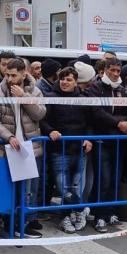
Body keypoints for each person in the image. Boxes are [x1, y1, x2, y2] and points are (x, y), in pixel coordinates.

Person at [0, 59, 47, 238]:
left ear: (23, 74)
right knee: (7, 189)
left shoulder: (35, 91)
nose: (10, 79)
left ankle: (24, 223)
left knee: (28, 190)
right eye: (7, 75)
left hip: (29, 148)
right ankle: (7, 223)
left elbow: (40, 114)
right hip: (7, 148)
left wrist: (24, 98)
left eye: (14, 75)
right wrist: (9, 137)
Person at [41, 67, 94, 233]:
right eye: (62, 79)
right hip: (59, 150)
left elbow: (90, 122)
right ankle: (74, 212)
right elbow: (42, 120)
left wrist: (88, 138)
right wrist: (50, 131)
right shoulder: (50, 97)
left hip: (79, 150)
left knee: (76, 187)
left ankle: (74, 213)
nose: (64, 82)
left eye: (69, 79)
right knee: (63, 188)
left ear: (76, 82)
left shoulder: (83, 99)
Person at [85, 57, 127, 231]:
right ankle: (99, 215)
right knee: (103, 179)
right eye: (112, 70)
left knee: (115, 178)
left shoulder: (122, 89)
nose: (115, 74)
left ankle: (111, 212)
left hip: (119, 141)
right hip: (102, 140)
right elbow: (96, 112)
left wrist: (125, 123)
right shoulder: (96, 88)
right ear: (105, 70)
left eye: (117, 71)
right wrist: (117, 123)